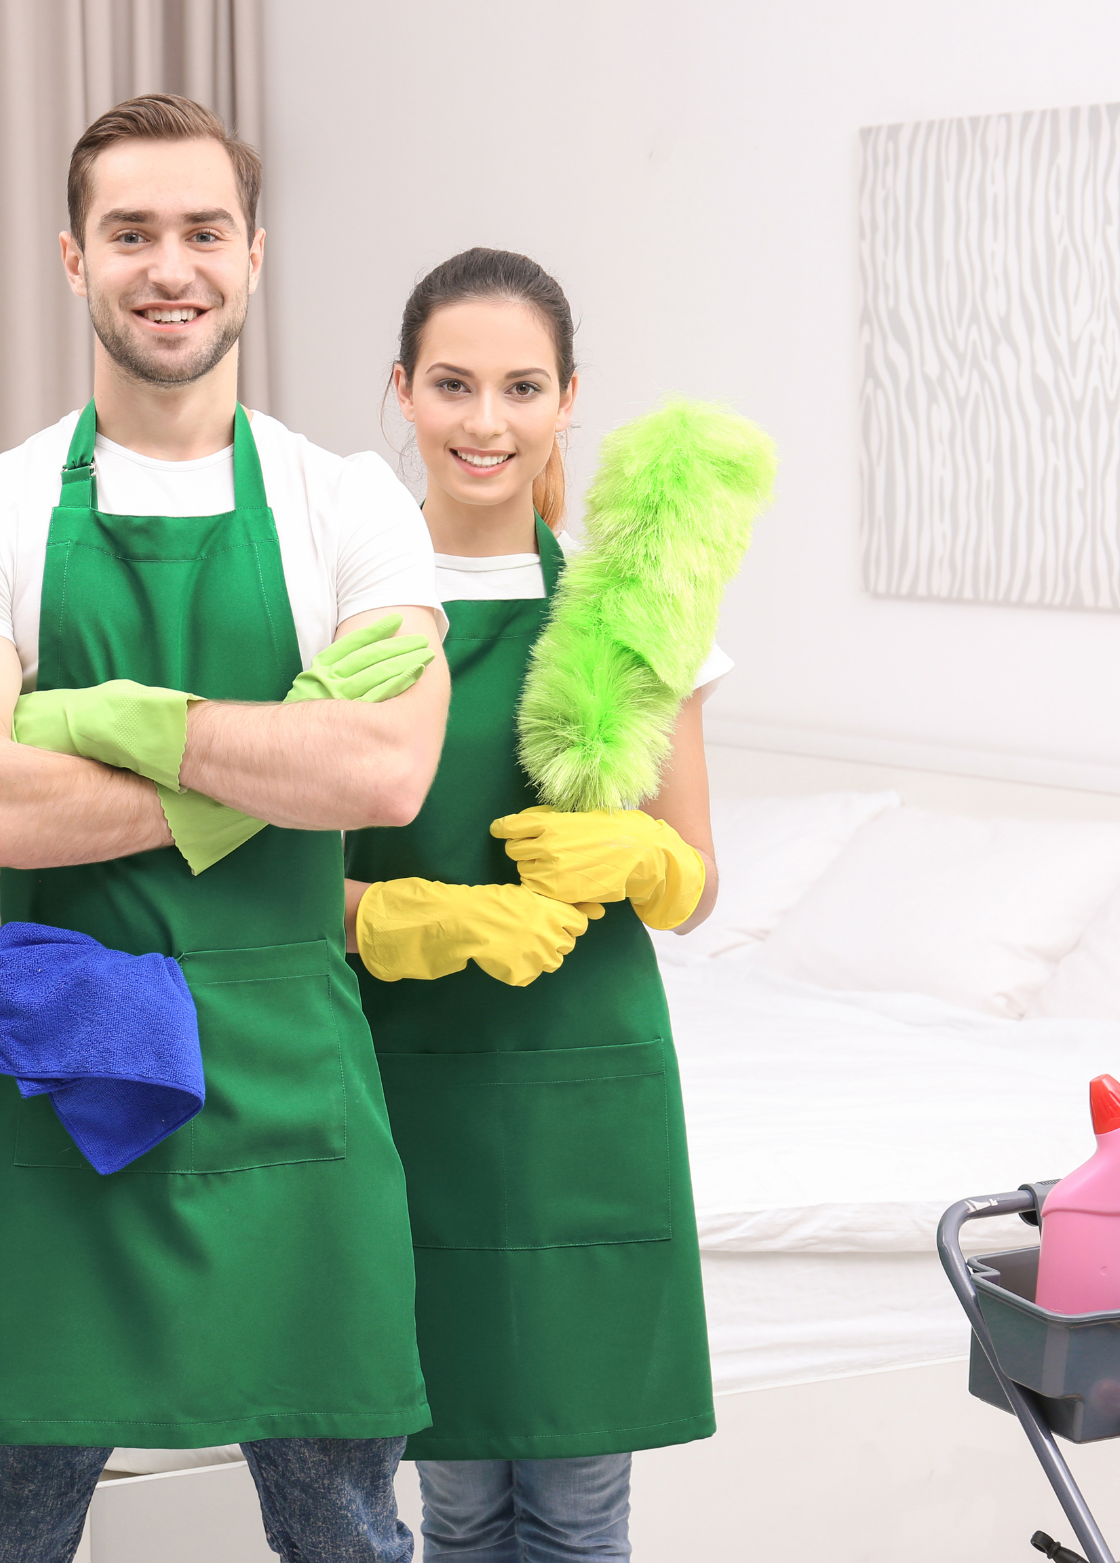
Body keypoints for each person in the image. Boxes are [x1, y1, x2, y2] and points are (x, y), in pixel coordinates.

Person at [0, 96, 449, 1563]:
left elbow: (387, 769)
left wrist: (110, 720)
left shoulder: (351, 503)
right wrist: (264, 763)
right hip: (59, 1073)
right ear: (73, 256)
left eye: (203, 230)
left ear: (253, 254)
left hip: (293, 1091)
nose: (169, 265)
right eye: (130, 232)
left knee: (344, 1532)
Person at [343, 249, 727, 1561]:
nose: (485, 422)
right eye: (452, 384)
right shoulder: (341, 606)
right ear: (403, 389)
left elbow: (695, 881)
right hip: (405, 1085)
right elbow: (274, 884)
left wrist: (639, 860)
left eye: (521, 387)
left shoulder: (630, 616)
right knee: (452, 1501)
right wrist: (403, 916)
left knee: (576, 1508)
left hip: (584, 1092)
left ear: (568, 398)